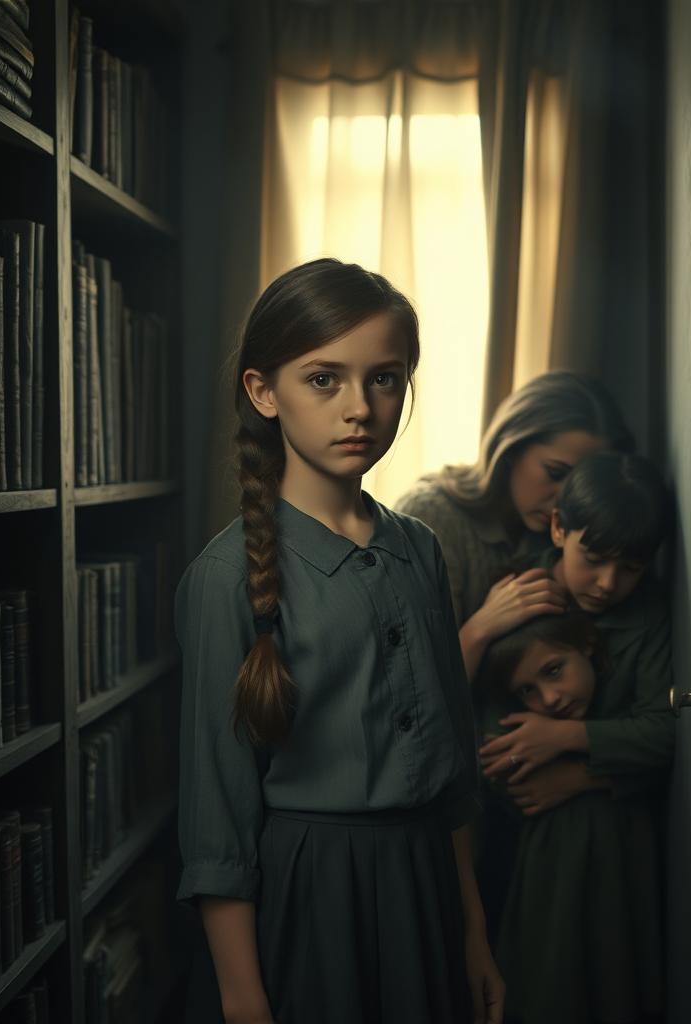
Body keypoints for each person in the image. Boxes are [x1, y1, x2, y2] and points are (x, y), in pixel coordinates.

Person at [174, 258, 504, 1024]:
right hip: (312, 896)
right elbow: (217, 823)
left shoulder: (420, 549)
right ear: (264, 392)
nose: (359, 407)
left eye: (384, 380)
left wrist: (475, 932)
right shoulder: (225, 579)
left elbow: (451, 774)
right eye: (324, 380)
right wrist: (243, 998)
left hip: (428, 883)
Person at [394, 371, 635, 942]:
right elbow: (398, 693)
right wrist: (481, 628)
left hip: (528, 805)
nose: (563, 498)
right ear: (510, 446)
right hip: (439, 800)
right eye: (554, 474)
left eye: (578, 482)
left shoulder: (568, 536)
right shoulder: (431, 518)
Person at [477, 450, 674, 1024]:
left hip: (622, 846)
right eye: (594, 559)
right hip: (533, 853)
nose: (610, 584)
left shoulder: (650, 614)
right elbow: (497, 752)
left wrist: (573, 756)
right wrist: (599, 761)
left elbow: (667, 733)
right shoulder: (520, 600)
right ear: (560, 528)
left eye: (632, 568)